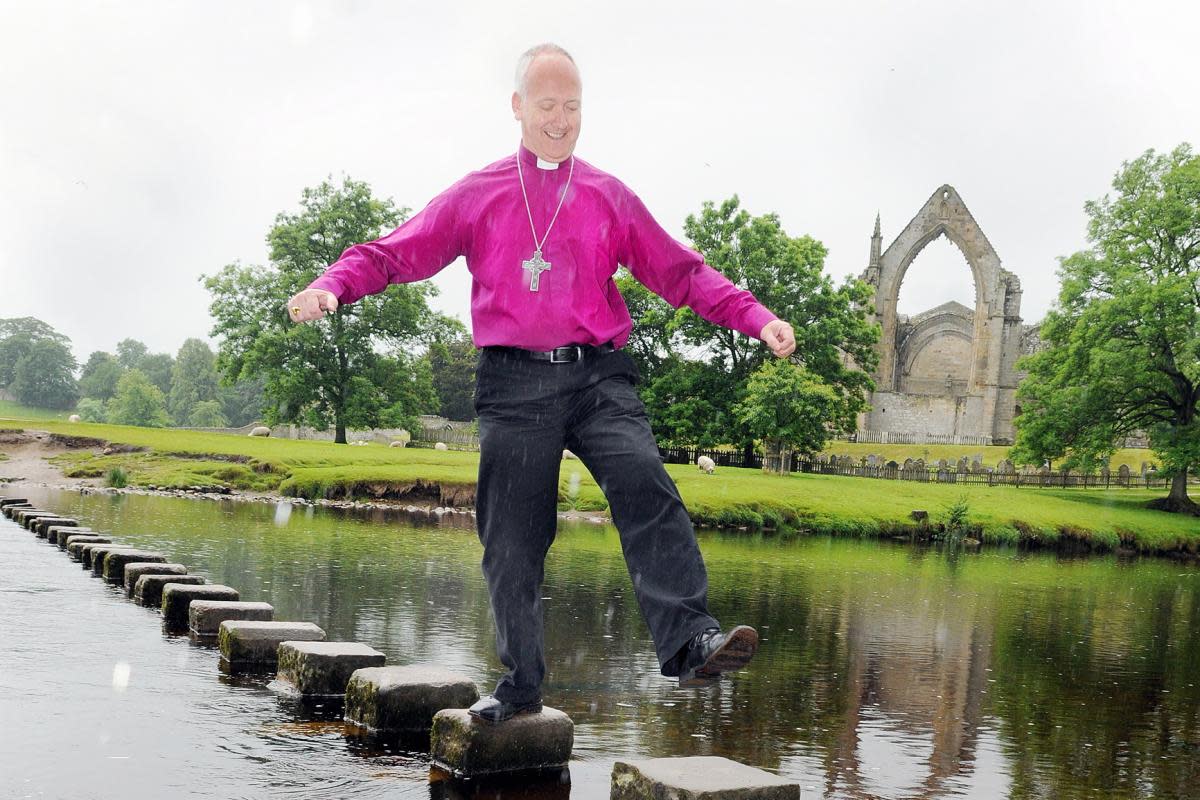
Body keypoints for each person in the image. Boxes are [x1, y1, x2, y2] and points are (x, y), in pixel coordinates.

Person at [288, 43, 796, 723]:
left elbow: (681, 272)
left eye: (573, 106)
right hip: (513, 385)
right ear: (519, 107)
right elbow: (393, 252)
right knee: (513, 541)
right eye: (548, 105)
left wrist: (754, 316)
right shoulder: (480, 193)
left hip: (597, 379)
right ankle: (520, 683)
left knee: (645, 478)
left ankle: (690, 640)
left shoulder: (608, 197)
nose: (561, 120)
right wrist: (332, 285)